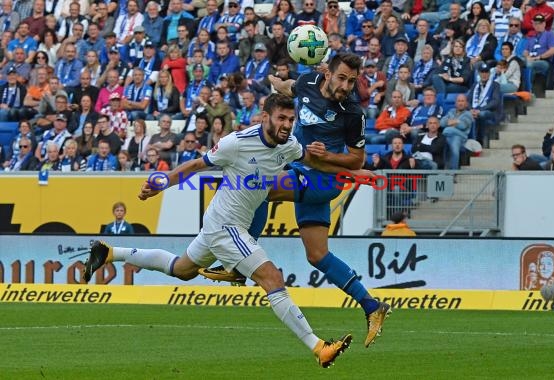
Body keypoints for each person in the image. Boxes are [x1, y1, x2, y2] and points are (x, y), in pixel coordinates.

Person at [83, 93, 353, 367]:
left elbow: (312, 160)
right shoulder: (236, 143)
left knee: (181, 269)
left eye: (291, 119)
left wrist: (352, 172)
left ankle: (109, 252)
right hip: (226, 226)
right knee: (272, 278)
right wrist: (163, 182)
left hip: (220, 223)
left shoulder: (289, 145)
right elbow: (197, 165)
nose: (287, 124)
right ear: (264, 117)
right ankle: (319, 347)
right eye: (281, 118)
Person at [204, 53, 392, 348]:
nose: (346, 85)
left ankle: (239, 266)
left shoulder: (353, 112)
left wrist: (326, 155)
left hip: (324, 179)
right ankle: (371, 306)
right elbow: (288, 87)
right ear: (327, 73)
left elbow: (357, 159)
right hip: (301, 170)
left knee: (262, 186)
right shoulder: (307, 82)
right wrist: (276, 81)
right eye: (341, 77)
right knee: (317, 255)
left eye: (352, 81)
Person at [440, 94, 474, 170]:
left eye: (462, 101)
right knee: (445, 139)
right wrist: (457, 122)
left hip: (461, 138)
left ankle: (453, 172)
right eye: (458, 101)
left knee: (454, 143)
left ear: (466, 104)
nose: (460, 103)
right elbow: (442, 123)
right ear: (455, 103)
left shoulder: (468, 114)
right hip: (447, 136)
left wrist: (451, 123)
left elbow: (463, 126)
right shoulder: (451, 111)